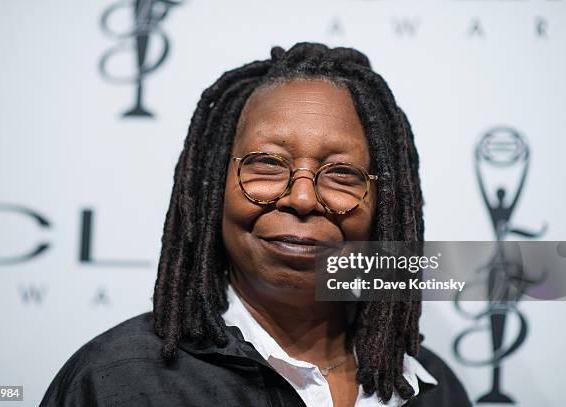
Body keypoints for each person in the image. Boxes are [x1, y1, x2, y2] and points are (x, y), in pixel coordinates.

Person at [40, 42, 471, 407]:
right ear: (212, 187)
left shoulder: (434, 390)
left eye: (342, 174)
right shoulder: (118, 383)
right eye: (267, 164)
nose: (302, 198)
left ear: (388, 205)